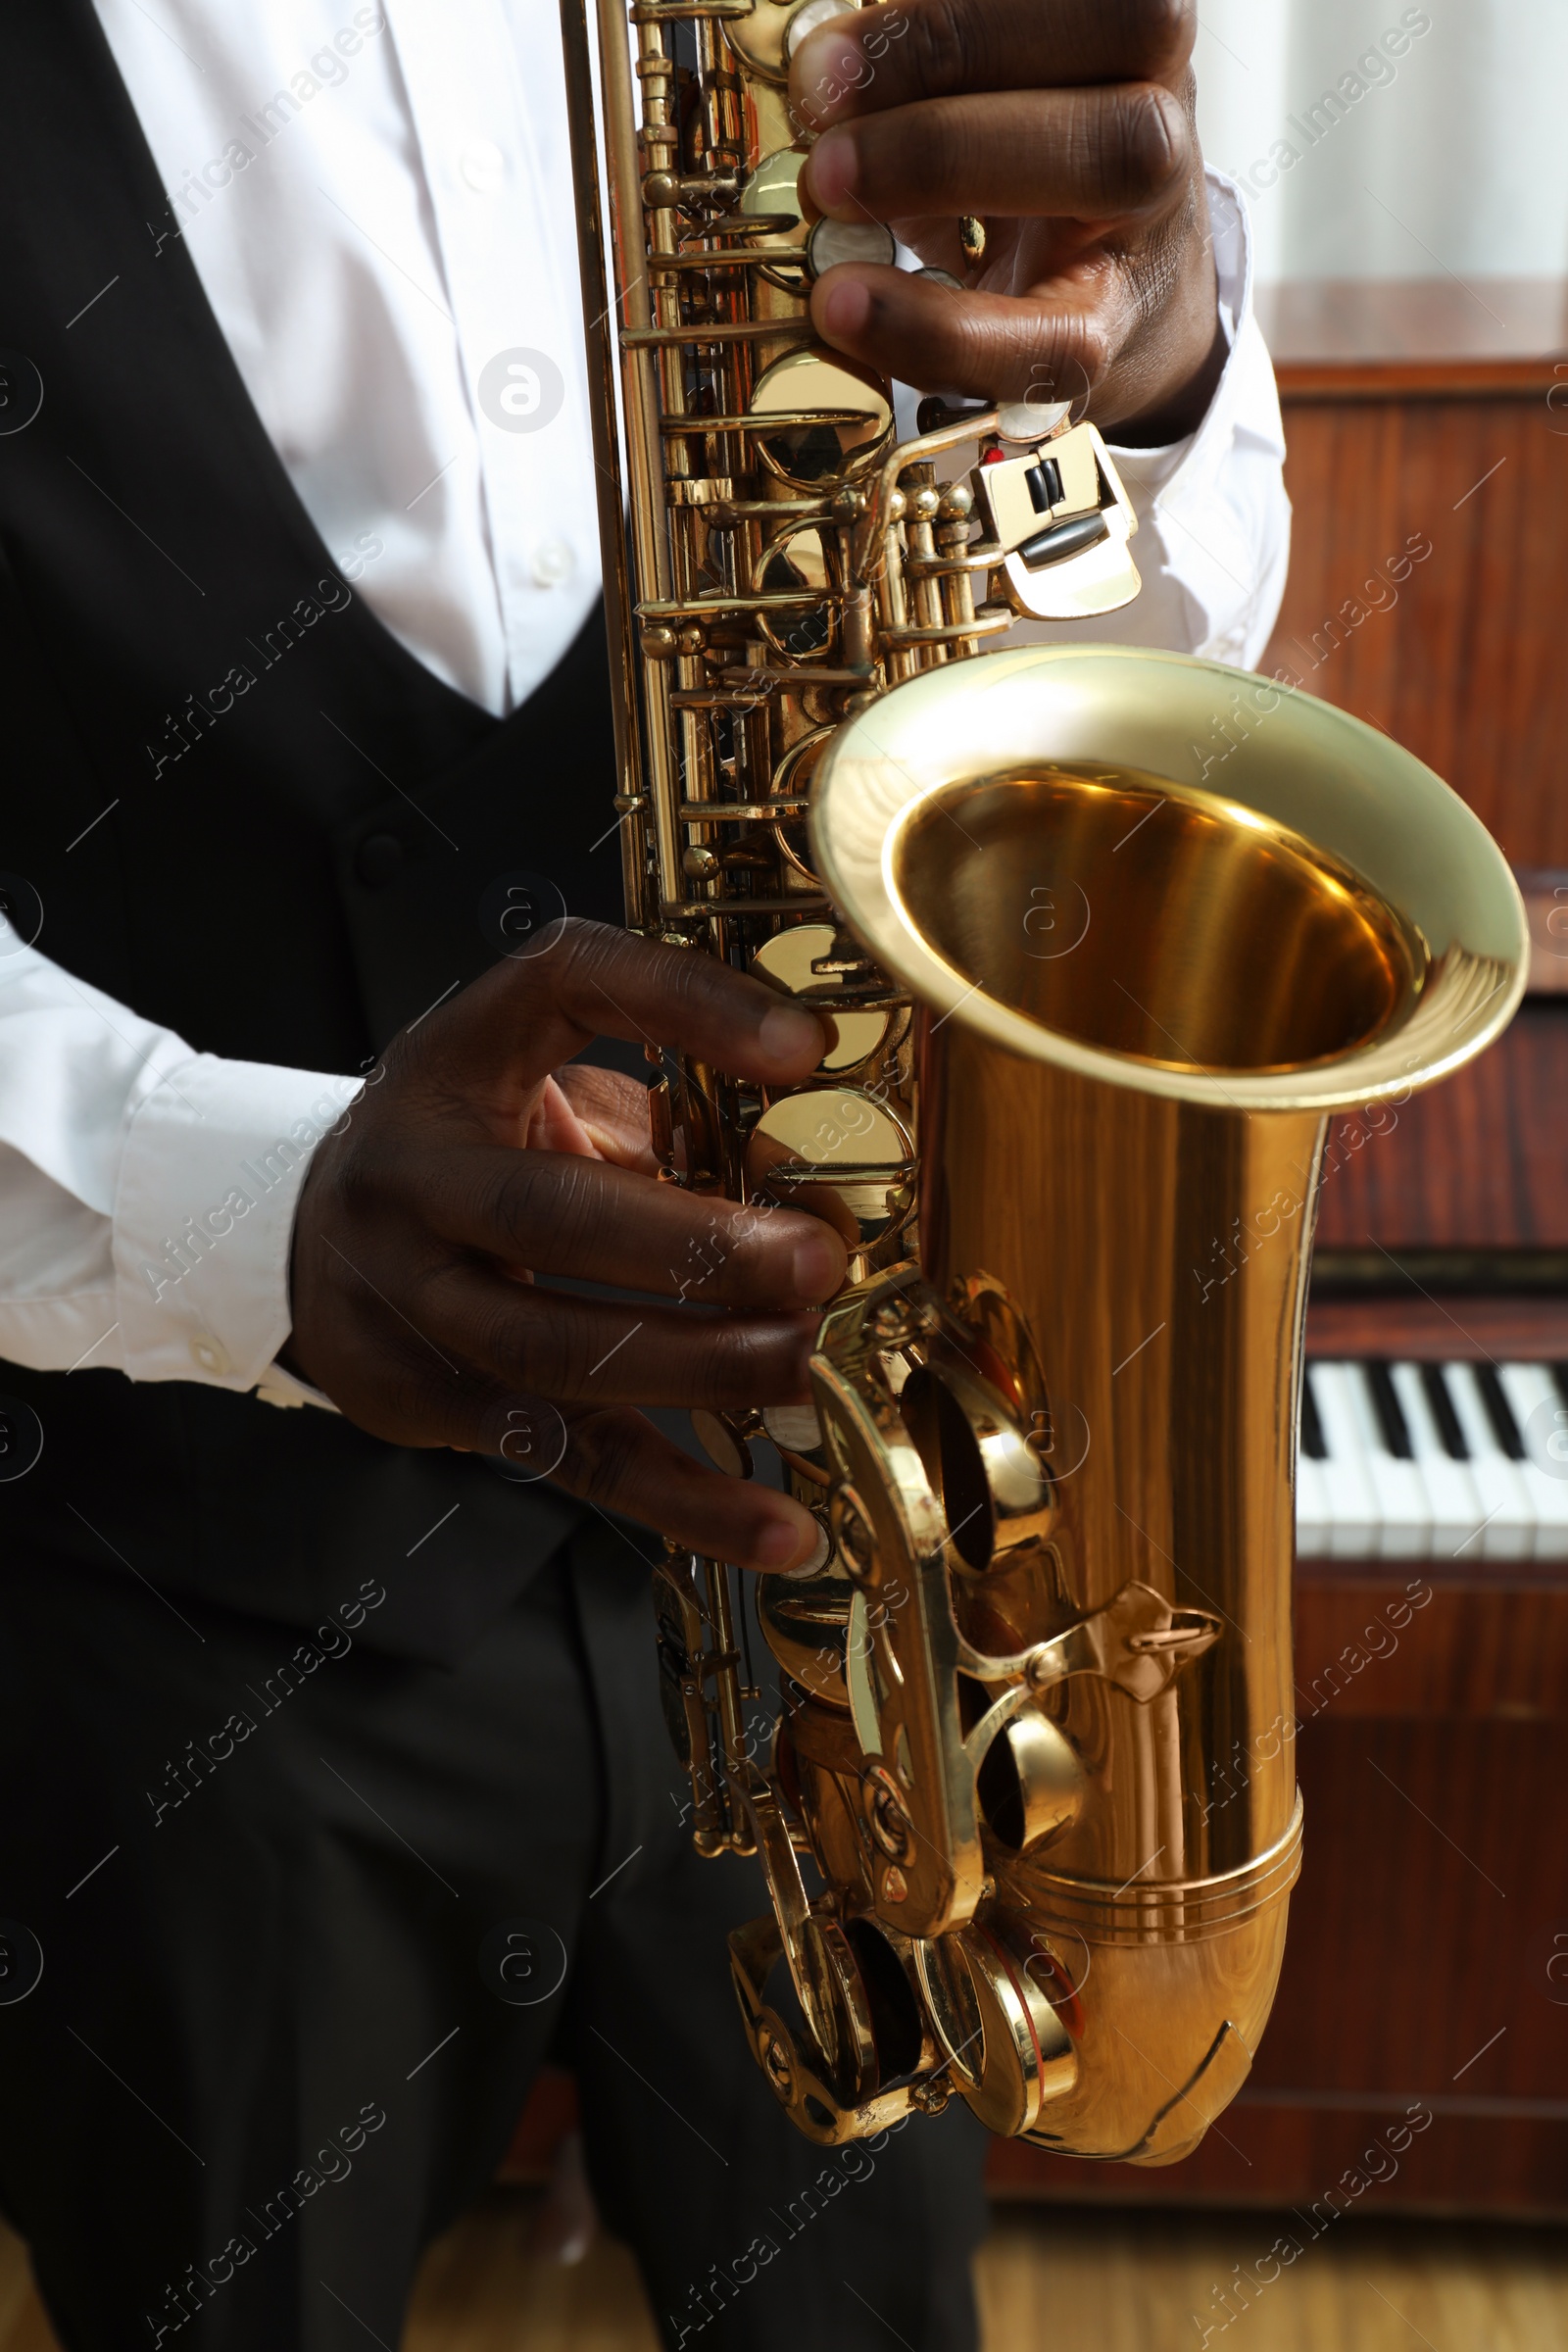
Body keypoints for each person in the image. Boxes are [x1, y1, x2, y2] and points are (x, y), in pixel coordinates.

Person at [0, 3, 1288, 2345]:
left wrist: (1150, 372)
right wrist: (247, 1199)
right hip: (178, 1600)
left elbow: (1140, 662)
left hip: (845, 1546)